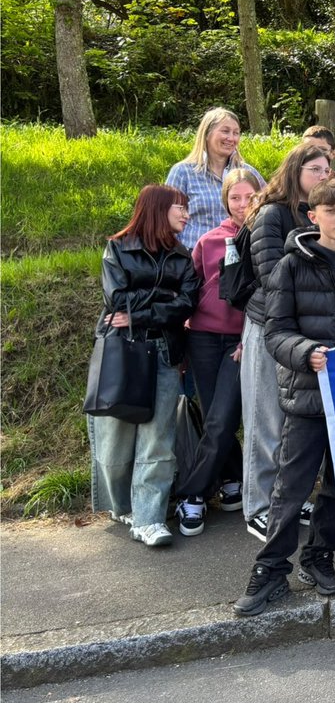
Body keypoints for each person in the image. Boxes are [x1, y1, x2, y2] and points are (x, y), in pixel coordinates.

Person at [233, 179, 335, 616]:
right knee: (291, 487)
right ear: (313, 217)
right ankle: (271, 570)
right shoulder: (290, 267)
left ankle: (319, 557)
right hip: (308, 395)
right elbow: (274, 333)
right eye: (330, 212)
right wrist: (306, 352)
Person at [91, 184, 200, 547]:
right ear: (157, 209)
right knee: (115, 438)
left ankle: (149, 519)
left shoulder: (183, 256)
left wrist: (145, 308)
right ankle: (122, 506)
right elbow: (116, 299)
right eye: (179, 208)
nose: (186, 214)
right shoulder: (118, 248)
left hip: (166, 352)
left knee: (158, 440)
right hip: (121, 352)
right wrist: (162, 297)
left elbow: (186, 304)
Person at [239, 144, 332, 540]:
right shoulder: (271, 214)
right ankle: (257, 506)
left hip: (305, 332)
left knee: (291, 421)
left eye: (327, 169)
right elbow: (270, 274)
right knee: (265, 420)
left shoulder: (318, 215)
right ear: (295, 171)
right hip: (268, 327)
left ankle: (284, 498)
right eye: (315, 169)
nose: (323, 175)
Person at [174, 169, 262, 535]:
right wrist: (181, 340)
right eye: (235, 198)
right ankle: (230, 481)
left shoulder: (266, 238)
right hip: (203, 338)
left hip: (240, 340)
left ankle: (191, 493)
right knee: (214, 415)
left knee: (224, 416)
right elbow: (190, 292)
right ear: (225, 200)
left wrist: (249, 337)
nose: (242, 205)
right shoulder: (209, 242)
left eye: (249, 197)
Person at [166, 107, 265, 250]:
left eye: (236, 133)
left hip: (240, 257)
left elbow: (268, 210)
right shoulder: (183, 172)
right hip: (193, 260)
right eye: (225, 131)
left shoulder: (248, 173)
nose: (231, 138)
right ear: (207, 134)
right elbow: (167, 220)